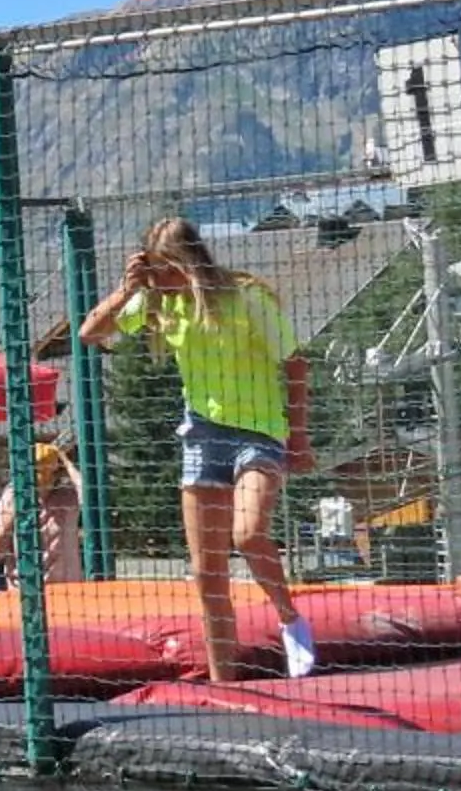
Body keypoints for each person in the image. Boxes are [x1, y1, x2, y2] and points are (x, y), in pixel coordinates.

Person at [79, 217, 315, 682]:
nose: (158, 284)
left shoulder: (246, 298)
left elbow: (294, 363)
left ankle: (290, 618)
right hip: (203, 438)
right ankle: (223, 683)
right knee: (208, 575)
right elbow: (90, 333)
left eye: (162, 272)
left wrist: (299, 436)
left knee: (248, 534)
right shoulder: (157, 301)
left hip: (259, 433)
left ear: (184, 264)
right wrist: (127, 290)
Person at [0, 440, 85, 587]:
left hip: (67, 589)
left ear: (56, 474)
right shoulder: (13, 495)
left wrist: (66, 461)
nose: (39, 487)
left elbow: (89, 495)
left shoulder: (67, 495)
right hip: (26, 590)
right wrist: (11, 517)